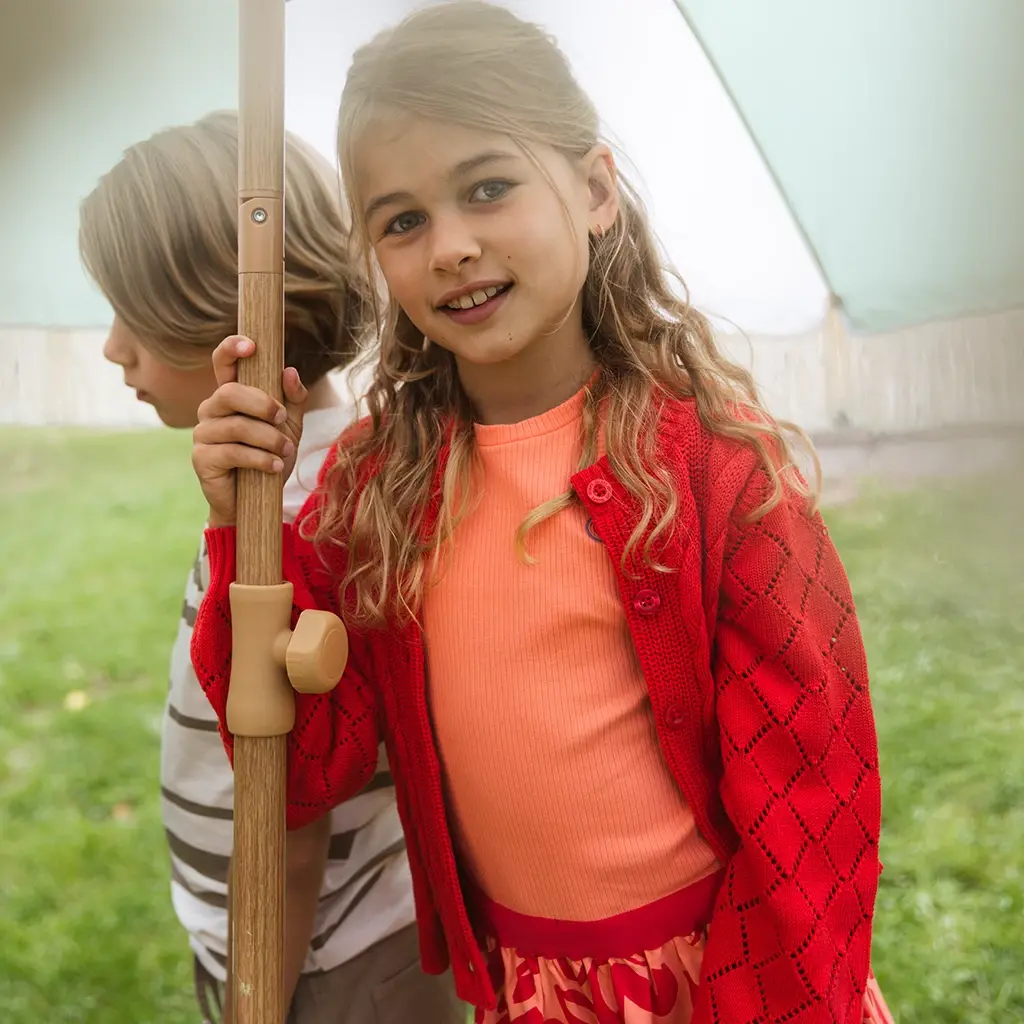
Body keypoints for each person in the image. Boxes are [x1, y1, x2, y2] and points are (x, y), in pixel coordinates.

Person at [188, 5, 894, 1022]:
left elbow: (809, 802)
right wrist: (242, 525)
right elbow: (304, 758)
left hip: (728, 977)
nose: (452, 247)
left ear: (594, 190)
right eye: (402, 220)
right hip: (529, 991)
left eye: (487, 188)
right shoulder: (375, 484)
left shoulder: (716, 469)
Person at [79, 111, 462, 1024]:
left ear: (232, 317)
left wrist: (257, 997)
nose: (112, 348)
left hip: (318, 964)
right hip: (321, 944)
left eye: (134, 312)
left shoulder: (296, 521)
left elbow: (290, 829)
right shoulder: (307, 483)